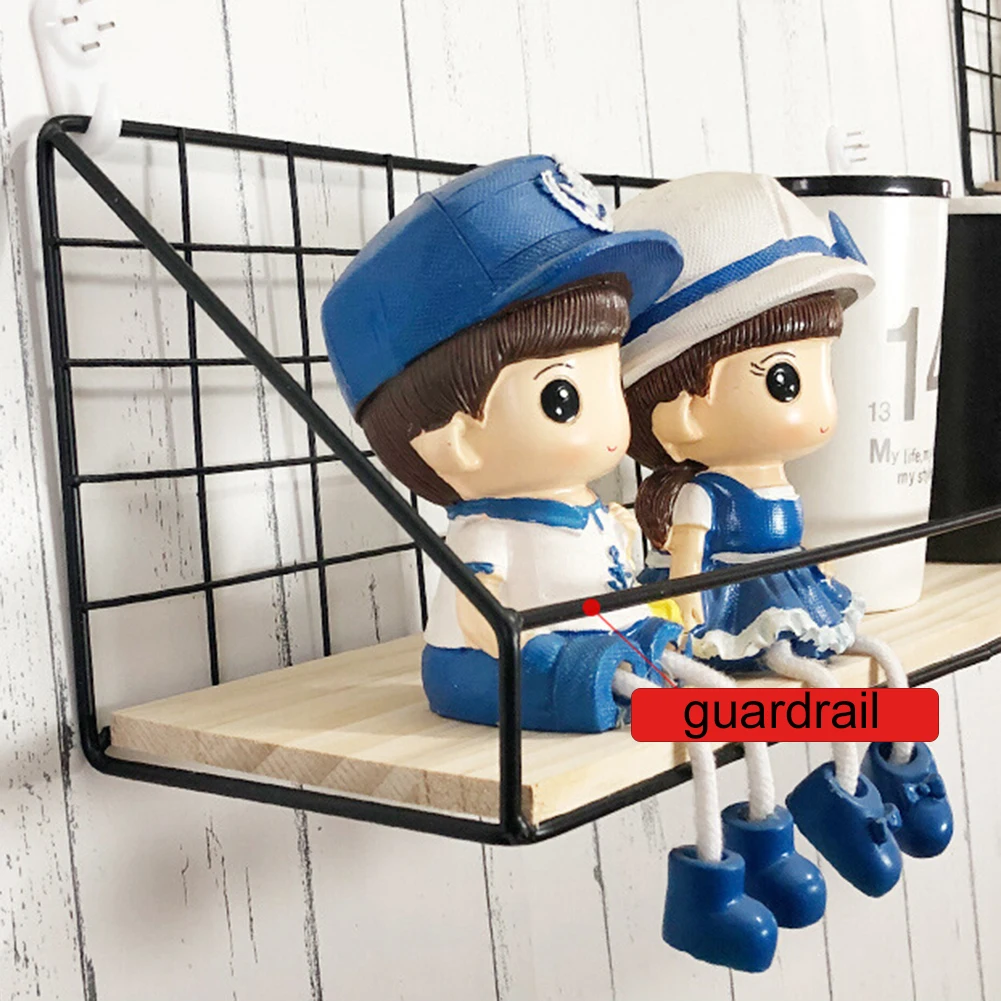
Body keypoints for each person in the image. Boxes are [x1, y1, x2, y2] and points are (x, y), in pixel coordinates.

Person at [615, 173, 953, 924]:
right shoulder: (705, 496)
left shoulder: (777, 481)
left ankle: (872, 774)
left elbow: (794, 544)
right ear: (683, 412)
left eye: (822, 370)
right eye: (785, 379)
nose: (822, 408)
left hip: (787, 592)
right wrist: (684, 618)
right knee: (765, 704)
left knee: (860, 663)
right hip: (733, 605)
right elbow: (687, 571)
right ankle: (761, 839)